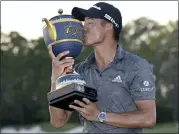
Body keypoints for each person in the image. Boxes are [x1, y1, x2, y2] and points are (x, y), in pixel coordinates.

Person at [48, 2, 156, 133]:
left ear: (109, 26)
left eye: (90, 22)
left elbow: (148, 118)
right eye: (84, 23)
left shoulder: (136, 66)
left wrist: (100, 115)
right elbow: (58, 121)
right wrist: (55, 79)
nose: (83, 28)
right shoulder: (80, 70)